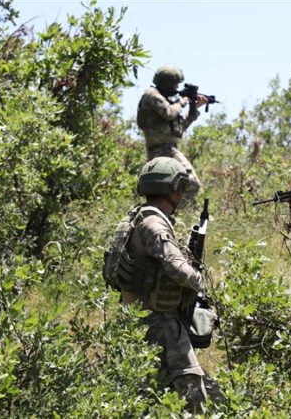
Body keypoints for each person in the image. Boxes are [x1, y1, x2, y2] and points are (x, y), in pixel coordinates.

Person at [117, 157, 210, 413]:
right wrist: (202, 285)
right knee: (193, 392)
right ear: (175, 190)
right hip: (160, 322)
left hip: (137, 318)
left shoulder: (137, 218)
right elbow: (176, 267)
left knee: (152, 392)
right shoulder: (155, 224)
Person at [137, 65, 209, 203]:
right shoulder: (151, 94)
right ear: (166, 83)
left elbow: (179, 129)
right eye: (175, 85)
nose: (176, 89)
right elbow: (169, 113)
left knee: (172, 187)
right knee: (191, 182)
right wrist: (183, 101)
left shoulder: (167, 100)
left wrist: (195, 108)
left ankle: (170, 212)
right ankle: (175, 212)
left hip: (167, 148)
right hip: (161, 148)